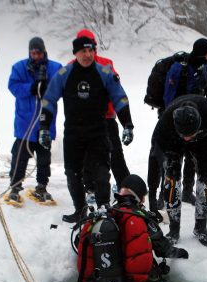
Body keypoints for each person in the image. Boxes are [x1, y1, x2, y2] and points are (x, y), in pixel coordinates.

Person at [40, 36, 134, 223]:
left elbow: (120, 98)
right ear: (75, 53)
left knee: (101, 172)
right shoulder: (64, 73)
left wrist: (128, 125)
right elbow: (49, 99)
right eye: (83, 51)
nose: (88, 54)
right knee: (72, 172)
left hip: (98, 130)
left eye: (91, 50)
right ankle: (80, 210)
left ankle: (103, 207)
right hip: (73, 132)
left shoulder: (104, 72)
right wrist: (44, 127)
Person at [77, 174, 188, 282]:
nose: (144, 201)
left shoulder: (106, 214)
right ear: (137, 195)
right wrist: (181, 253)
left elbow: (80, 244)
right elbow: (162, 248)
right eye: (142, 196)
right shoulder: (140, 216)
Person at [147, 38, 207, 214]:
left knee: (192, 156)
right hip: (174, 118)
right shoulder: (178, 68)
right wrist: (171, 118)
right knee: (171, 157)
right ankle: (162, 195)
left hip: (197, 119)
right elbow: (168, 96)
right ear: (202, 53)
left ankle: (187, 191)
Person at [155, 95, 207, 247]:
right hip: (174, 141)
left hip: (203, 139)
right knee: (171, 180)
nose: (188, 138)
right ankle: (174, 230)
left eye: (190, 134)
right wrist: (163, 167)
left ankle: (201, 227)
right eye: (185, 135)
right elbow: (156, 148)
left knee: (206, 179)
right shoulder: (166, 120)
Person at [73, 29, 131, 202]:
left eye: (90, 47)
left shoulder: (106, 64)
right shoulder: (71, 68)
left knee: (114, 154)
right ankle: (91, 189)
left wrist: (126, 122)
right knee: (87, 156)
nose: (87, 53)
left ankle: (124, 186)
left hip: (106, 117)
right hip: (84, 120)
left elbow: (117, 94)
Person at [7, 37, 62, 204]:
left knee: (44, 157)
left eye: (38, 52)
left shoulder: (55, 68)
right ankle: (15, 186)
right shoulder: (19, 67)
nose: (36, 55)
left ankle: (41, 186)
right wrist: (31, 88)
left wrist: (48, 89)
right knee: (19, 156)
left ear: (44, 51)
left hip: (46, 122)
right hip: (25, 122)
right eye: (33, 52)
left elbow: (60, 88)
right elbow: (13, 86)